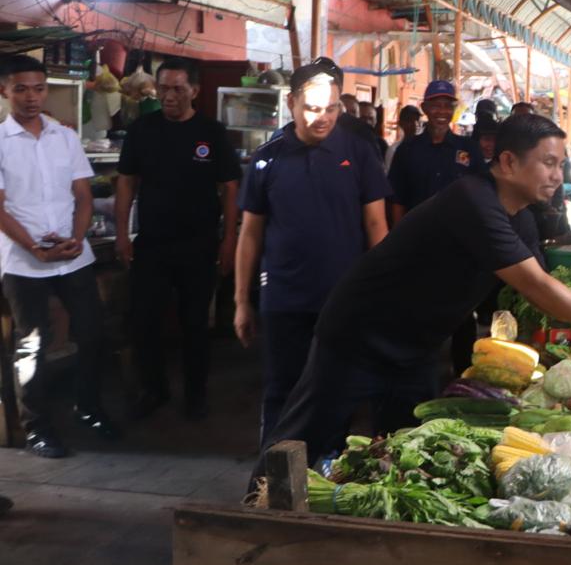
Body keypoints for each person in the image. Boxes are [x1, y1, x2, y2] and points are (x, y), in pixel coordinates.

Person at [250, 114, 571, 481]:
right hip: (357, 334)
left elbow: (538, 284)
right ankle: (247, 522)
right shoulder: (473, 201)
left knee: (405, 452)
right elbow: (536, 286)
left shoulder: (521, 218)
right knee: (303, 438)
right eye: (548, 163)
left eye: (561, 164)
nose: (557, 175)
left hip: (415, 348)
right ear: (508, 163)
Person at [234, 59, 391, 446]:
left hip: (342, 296)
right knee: (282, 388)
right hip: (284, 296)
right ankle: (272, 476)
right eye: (313, 108)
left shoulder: (358, 152)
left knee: (335, 389)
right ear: (291, 103)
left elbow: (376, 226)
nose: (324, 118)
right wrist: (241, 301)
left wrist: (384, 290)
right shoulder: (267, 158)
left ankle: (326, 468)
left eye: (332, 108)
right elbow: (250, 233)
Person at [0, 56, 116, 456]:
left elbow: (83, 195)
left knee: (93, 334)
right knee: (32, 345)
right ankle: (38, 428)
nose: (31, 97)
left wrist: (76, 237)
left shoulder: (64, 137)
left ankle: (88, 407)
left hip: (72, 253)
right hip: (22, 260)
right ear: (5, 91)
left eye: (38, 88)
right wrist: (33, 246)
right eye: (21, 89)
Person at [116, 57, 240, 421]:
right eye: (164, 88)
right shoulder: (142, 130)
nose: (169, 97)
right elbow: (126, 182)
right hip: (152, 243)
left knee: (195, 325)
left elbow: (230, 188)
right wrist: (123, 234)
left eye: (178, 89)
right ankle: (153, 390)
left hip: (199, 244)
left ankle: (195, 396)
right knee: (145, 322)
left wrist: (229, 239)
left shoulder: (212, 132)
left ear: (195, 91)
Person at [386, 80, 483, 223]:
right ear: (424, 108)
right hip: (416, 237)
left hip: (458, 239)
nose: (442, 111)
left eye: (448, 106)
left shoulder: (470, 149)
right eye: (436, 106)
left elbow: (481, 196)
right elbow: (397, 201)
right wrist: (399, 240)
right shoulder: (407, 150)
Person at [384, 104, 420, 171]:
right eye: (410, 120)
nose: (415, 124)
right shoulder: (393, 150)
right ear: (401, 123)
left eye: (417, 120)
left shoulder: (424, 148)